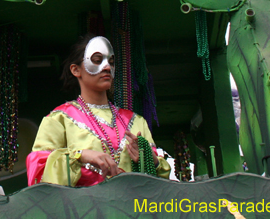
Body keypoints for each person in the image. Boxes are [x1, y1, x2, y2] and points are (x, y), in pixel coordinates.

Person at [27, 36, 170, 187]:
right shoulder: (59, 119)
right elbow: (39, 172)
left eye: (111, 62)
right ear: (76, 70)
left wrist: (149, 159)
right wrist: (80, 156)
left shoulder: (136, 121)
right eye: (97, 60)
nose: (107, 67)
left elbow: (159, 186)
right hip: (83, 208)